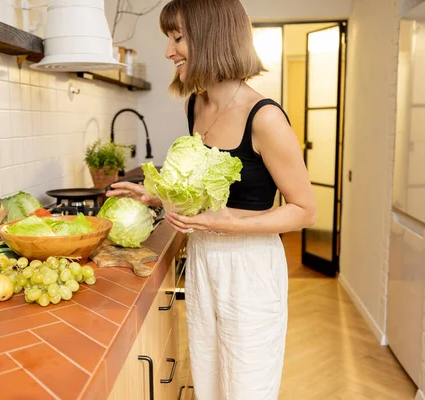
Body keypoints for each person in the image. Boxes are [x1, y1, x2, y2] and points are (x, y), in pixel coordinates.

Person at [106, 0, 317, 398]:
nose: (169, 50)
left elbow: (305, 210)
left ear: (212, 36)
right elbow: (204, 193)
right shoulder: (196, 105)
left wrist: (230, 223)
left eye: (177, 37)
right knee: (210, 383)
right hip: (204, 262)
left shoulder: (265, 117)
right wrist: (156, 196)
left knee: (246, 388)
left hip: (250, 270)